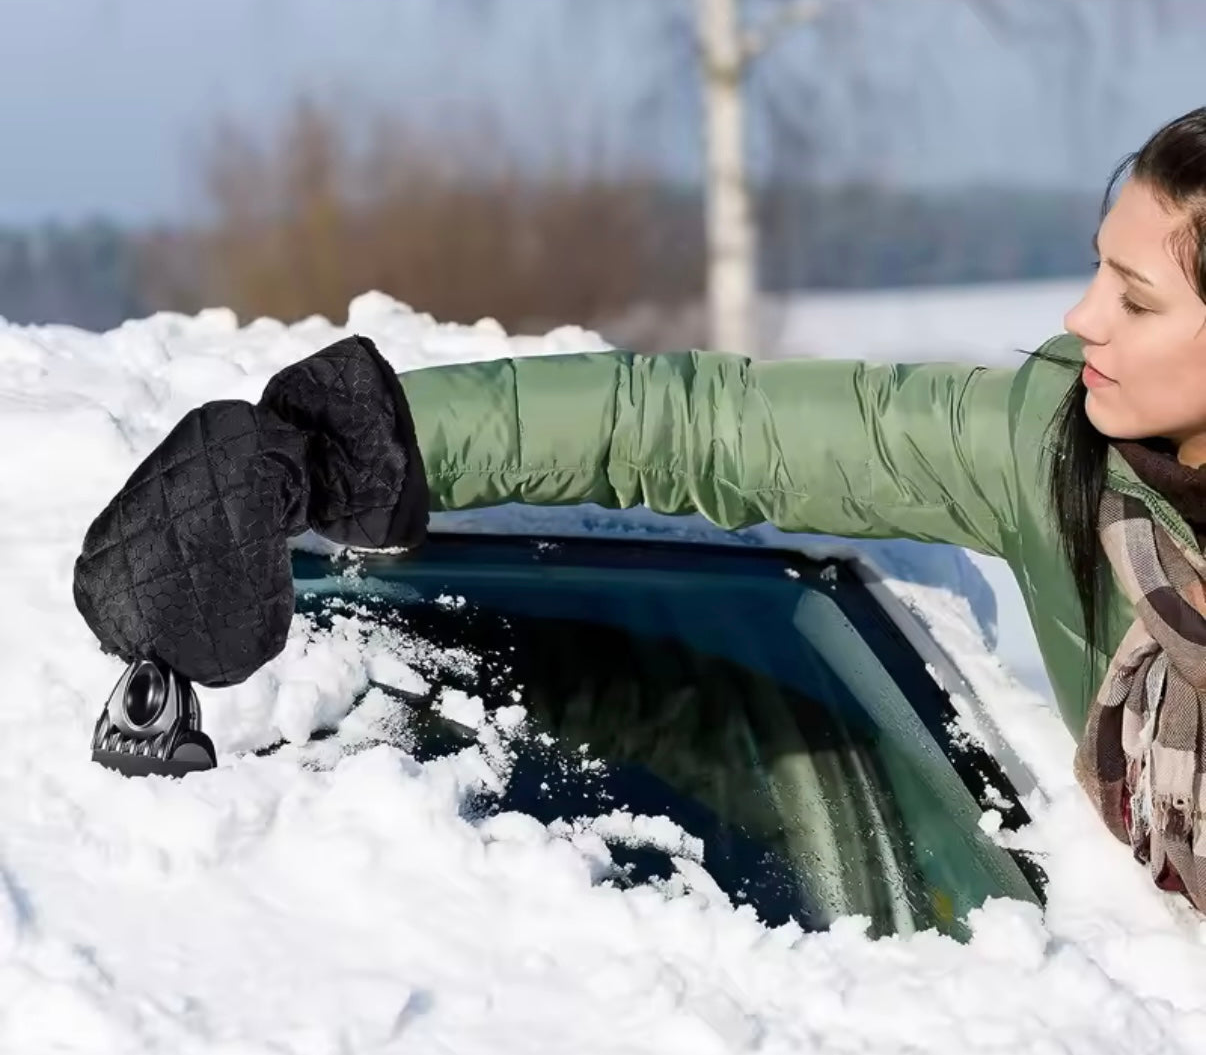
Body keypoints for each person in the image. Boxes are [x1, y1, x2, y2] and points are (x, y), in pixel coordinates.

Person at [74, 106, 1206, 911]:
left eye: (1136, 298)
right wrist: (333, 450)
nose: (1081, 314)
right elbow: (695, 426)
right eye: (1096, 270)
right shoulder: (1061, 448)